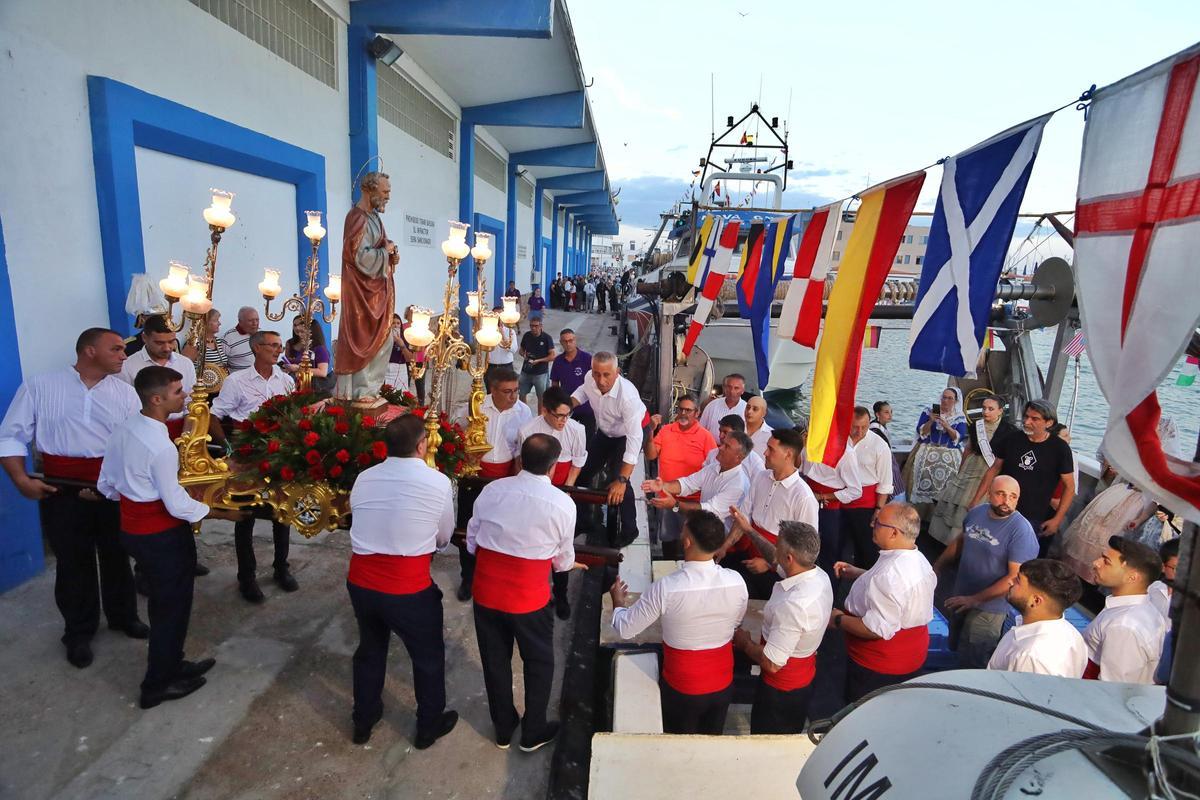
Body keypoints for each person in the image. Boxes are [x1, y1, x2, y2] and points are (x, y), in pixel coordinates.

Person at [0, 327, 145, 668]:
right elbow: (11, 435)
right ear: (89, 351)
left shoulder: (126, 394)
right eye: (116, 349)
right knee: (72, 562)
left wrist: (120, 486)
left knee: (117, 555)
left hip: (111, 489)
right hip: (60, 489)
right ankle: (79, 632)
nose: (124, 355)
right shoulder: (41, 386)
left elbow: (137, 444)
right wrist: (20, 478)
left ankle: (124, 616)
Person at [97, 366, 233, 708]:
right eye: (177, 392)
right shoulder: (161, 446)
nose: (185, 396)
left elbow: (107, 484)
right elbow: (175, 503)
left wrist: (133, 495)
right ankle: (157, 684)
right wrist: (216, 512)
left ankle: (173, 662)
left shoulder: (125, 428)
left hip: (133, 529)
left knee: (167, 603)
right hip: (161, 536)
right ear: (156, 399)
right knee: (170, 608)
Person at [345, 415, 458, 748]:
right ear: (422, 445)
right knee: (427, 657)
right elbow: (443, 538)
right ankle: (428, 726)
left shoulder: (364, 478)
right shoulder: (438, 482)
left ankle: (363, 721)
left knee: (370, 649)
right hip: (407, 587)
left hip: (362, 582)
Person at [467, 434, 577, 752]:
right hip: (528, 597)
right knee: (539, 662)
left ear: (520, 460)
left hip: (486, 591)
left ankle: (503, 727)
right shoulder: (562, 504)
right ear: (554, 467)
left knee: (495, 660)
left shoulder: (493, 490)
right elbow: (563, 560)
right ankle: (533, 730)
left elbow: (473, 539)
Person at [609, 510, 748, 735]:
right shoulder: (736, 581)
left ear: (687, 541)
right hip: (722, 683)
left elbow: (625, 628)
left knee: (679, 746)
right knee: (711, 741)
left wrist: (618, 603)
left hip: (683, 686)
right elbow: (736, 623)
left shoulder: (667, 588)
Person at [211, 331, 299, 603]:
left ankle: (281, 567)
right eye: (272, 345)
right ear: (256, 348)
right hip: (247, 455)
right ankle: (246, 577)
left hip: (278, 453)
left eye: (279, 345)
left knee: (281, 512)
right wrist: (228, 449)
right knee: (245, 516)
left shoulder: (285, 379)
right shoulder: (237, 381)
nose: (278, 350)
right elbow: (214, 416)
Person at [732, 521, 832, 734]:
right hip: (803, 677)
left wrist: (745, 644)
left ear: (789, 558)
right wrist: (749, 531)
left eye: (777, 545)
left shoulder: (794, 606)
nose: (773, 548)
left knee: (768, 736)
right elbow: (774, 559)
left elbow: (772, 663)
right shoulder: (817, 574)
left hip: (780, 690)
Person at [830, 502, 935, 703]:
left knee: (864, 714)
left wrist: (838, 619)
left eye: (878, 523)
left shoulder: (888, 576)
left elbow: (876, 629)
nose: (872, 525)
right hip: (911, 656)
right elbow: (897, 590)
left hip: (879, 668)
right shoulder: (918, 558)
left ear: (894, 533)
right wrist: (861, 574)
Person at [933, 476, 1039, 668]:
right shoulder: (977, 513)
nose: (1007, 501)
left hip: (990, 608)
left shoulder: (1021, 531)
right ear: (989, 494)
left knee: (975, 658)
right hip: (961, 596)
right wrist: (937, 566)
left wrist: (975, 599)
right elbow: (962, 540)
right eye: (1001, 494)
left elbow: (1015, 577)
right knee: (955, 645)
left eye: (1013, 497)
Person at [718, 429, 819, 599]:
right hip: (747, 554)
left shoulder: (803, 497)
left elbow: (806, 552)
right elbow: (744, 516)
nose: (764, 453)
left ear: (788, 455)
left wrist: (769, 564)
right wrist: (725, 547)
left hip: (776, 571)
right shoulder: (761, 477)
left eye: (771, 449)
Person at [970, 399, 1075, 559]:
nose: (1027, 422)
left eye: (1034, 419)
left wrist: (1057, 519)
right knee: (988, 551)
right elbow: (994, 469)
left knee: (1021, 559)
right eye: (1026, 417)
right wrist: (976, 500)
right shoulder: (1012, 439)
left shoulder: (1060, 449)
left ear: (1049, 422)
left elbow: (1069, 486)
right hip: (1000, 509)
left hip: (1033, 517)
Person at [571, 352, 647, 546]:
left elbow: (634, 438)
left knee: (619, 479)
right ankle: (584, 519)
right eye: (596, 374)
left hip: (627, 434)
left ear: (617, 372)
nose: (600, 380)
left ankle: (630, 529)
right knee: (582, 472)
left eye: (606, 375)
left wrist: (623, 478)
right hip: (606, 432)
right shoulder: (590, 378)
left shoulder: (627, 396)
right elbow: (583, 391)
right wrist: (569, 404)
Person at [334, 171, 398, 400]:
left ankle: (370, 388)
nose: (388, 196)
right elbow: (357, 256)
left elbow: (376, 249)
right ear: (369, 190)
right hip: (361, 293)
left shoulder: (375, 218)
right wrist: (385, 251)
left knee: (384, 339)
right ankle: (361, 390)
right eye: (385, 191)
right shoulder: (357, 217)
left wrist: (389, 253)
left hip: (376, 291)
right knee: (364, 339)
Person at [641, 431, 752, 559]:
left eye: (727, 447)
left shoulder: (738, 485)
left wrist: (675, 505)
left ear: (739, 457)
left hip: (717, 544)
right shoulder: (714, 467)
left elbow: (709, 509)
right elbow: (688, 483)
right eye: (723, 444)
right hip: (702, 531)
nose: (720, 448)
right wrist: (663, 486)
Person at [928, 393, 1017, 546]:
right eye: (984, 408)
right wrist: (960, 469)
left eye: (991, 409)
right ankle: (942, 539)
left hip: (989, 469)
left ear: (1000, 411)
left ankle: (962, 542)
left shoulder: (1009, 431)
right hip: (971, 465)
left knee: (970, 502)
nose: (986, 412)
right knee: (954, 498)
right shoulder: (977, 425)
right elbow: (968, 449)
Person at [1084, 536, 1167, 683]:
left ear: (1132, 577)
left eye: (1106, 561)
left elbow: (1111, 687)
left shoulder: (1124, 627)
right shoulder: (1141, 610)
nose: (1096, 563)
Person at [987, 558, 1087, 677]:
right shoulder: (1073, 635)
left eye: (1018, 580)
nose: (1010, 581)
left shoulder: (1031, 657)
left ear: (1035, 601)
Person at [645, 394, 717, 551]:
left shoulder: (705, 436)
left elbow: (714, 468)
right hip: (667, 498)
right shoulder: (665, 430)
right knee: (668, 542)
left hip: (693, 502)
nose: (683, 413)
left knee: (691, 544)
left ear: (697, 413)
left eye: (688, 410)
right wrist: (650, 432)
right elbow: (651, 455)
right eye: (681, 409)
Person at [797, 423, 862, 579]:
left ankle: (830, 591)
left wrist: (823, 497)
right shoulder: (808, 444)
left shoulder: (846, 453)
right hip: (806, 498)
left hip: (829, 508)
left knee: (829, 554)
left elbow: (855, 490)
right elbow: (799, 469)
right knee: (801, 546)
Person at [119, 313, 198, 426]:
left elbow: (190, 402)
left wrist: (187, 434)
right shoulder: (127, 366)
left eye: (171, 341)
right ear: (144, 338)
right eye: (159, 343)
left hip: (181, 427)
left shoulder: (185, 363)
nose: (167, 348)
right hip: (143, 428)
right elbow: (124, 406)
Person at [842, 407, 894, 569]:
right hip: (837, 499)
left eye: (863, 427)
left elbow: (885, 482)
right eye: (854, 427)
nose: (859, 432)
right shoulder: (839, 439)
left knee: (865, 550)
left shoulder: (879, 446)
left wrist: (879, 509)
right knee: (834, 545)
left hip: (865, 504)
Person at [907, 387, 968, 507]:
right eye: (944, 397)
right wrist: (931, 421)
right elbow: (921, 432)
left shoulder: (959, 417)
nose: (946, 401)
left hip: (949, 452)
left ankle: (940, 507)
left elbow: (958, 438)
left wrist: (947, 426)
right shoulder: (928, 412)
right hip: (927, 448)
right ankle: (921, 510)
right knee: (921, 470)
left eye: (950, 398)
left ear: (956, 401)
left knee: (950, 475)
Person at [517, 387, 587, 488]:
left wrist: (568, 489)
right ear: (544, 411)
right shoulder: (526, 431)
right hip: (535, 485)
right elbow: (522, 465)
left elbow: (577, 464)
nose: (565, 420)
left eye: (568, 414)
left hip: (563, 484)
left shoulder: (577, 430)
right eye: (560, 415)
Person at [281, 315, 332, 391]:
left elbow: (322, 372)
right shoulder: (290, 343)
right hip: (294, 385)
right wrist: (286, 367)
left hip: (313, 387)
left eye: (301, 324)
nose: (297, 328)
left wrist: (298, 369)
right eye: (295, 325)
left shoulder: (319, 348)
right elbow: (288, 363)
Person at [518, 317, 556, 412]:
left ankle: (540, 419)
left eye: (536, 326)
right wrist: (524, 355)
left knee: (542, 398)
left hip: (540, 373)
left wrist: (539, 360)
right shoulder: (527, 335)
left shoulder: (547, 338)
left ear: (541, 326)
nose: (533, 328)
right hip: (526, 371)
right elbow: (521, 350)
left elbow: (552, 356)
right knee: (521, 394)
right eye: (531, 326)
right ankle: (524, 414)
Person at [180, 307, 230, 373]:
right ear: (205, 323)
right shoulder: (194, 343)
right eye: (216, 320)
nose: (219, 323)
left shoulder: (219, 341)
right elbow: (185, 366)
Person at [698, 374, 747, 441]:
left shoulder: (747, 409)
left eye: (736, 388)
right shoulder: (712, 405)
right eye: (729, 387)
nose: (732, 391)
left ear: (743, 390)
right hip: (710, 447)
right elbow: (701, 429)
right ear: (724, 388)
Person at [485, 306, 517, 389]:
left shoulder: (510, 331)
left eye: (500, 315)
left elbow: (513, 349)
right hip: (492, 367)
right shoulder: (487, 331)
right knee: (491, 391)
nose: (498, 318)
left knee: (507, 391)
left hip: (506, 367)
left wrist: (503, 335)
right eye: (496, 315)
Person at [222, 306, 260, 372]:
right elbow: (221, 365)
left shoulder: (261, 334)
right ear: (240, 321)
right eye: (250, 320)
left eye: (257, 320)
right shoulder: (229, 338)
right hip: (240, 381)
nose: (255, 323)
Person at [385, 312, 412, 392]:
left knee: (401, 397)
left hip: (401, 371)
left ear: (401, 325)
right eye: (393, 323)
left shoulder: (405, 338)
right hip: (386, 371)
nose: (396, 325)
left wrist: (402, 345)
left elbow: (409, 359)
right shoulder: (383, 339)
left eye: (398, 323)